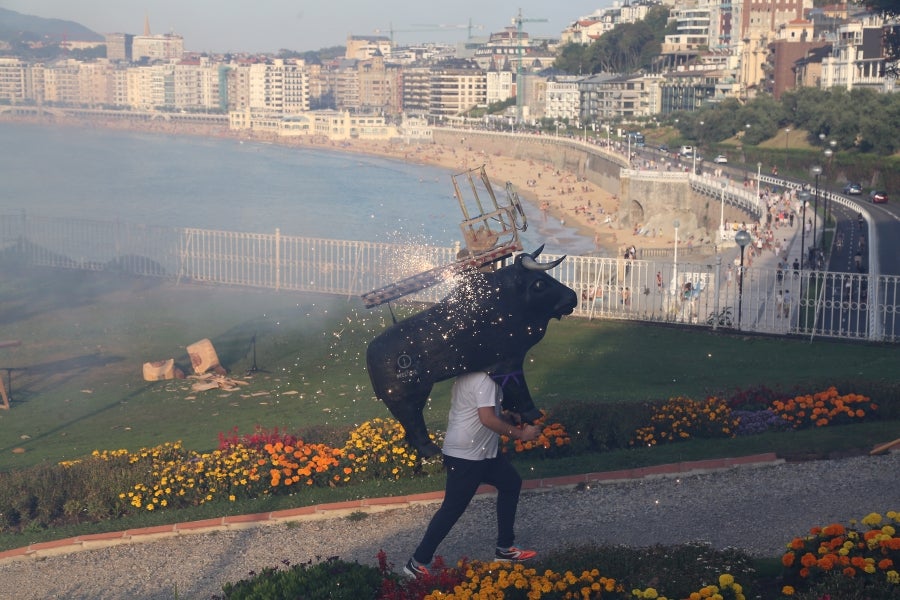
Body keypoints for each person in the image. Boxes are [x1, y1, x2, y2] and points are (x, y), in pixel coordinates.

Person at [403, 371, 541, 578]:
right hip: (467, 456)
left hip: (483, 453)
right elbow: (486, 419)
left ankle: (505, 549)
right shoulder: (484, 379)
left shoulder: (470, 375)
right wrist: (522, 435)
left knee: (511, 483)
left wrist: (506, 418)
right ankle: (417, 563)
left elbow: (479, 414)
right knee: (452, 509)